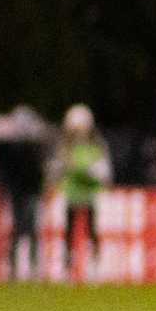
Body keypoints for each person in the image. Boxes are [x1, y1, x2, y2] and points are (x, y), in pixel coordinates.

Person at [0, 105, 50, 281]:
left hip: (30, 189)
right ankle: (16, 266)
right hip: (18, 189)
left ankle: (32, 266)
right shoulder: (10, 147)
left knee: (30, 226)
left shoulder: (35, 147)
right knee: (18, 226)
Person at [52, 105, 111, 282]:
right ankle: (67, 269)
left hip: (90, 194)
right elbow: (57, 169)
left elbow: (104, 171)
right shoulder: (65, 147)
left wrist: (93, 172)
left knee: (92, 231)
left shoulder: (96, 145)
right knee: (69, 232)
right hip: (72, 193)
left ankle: (95, 267)